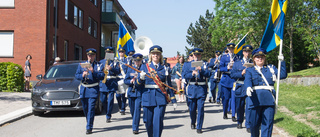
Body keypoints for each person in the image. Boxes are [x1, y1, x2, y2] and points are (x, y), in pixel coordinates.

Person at [244, 48, 287, 137]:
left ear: (265, 58)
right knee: (254, 125)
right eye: (257, 57)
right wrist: (248, 87)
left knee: (267, 125)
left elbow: (282, 75)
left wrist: (282, 62)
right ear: (254, 59)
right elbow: (247, 80)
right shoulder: (250, 70)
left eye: (262, 57)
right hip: (255, 99)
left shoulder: (271, 68)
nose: (260, 59)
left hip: (268, 100)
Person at [136, 45, 177, 137]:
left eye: (157, 54)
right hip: (147, 97)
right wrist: (141, 78)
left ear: (160, 55)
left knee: (158, 122)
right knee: (148, 122)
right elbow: (137, 85)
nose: (155, 55)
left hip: (160, 98)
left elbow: (169, 85)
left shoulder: (165, 68)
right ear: (150, 55)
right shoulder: (144, 67)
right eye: (153, 53)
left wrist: (173, 100)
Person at [75, 48, 105, 134]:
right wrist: (82, 75)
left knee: (91, 108)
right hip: (84, 89)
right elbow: (76, 75)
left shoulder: (99, 65)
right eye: (89, 55)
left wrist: (93, 71)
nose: (90, 57)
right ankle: (89, 121)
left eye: (92, 55)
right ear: (87, 56)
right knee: (85, 108)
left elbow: (102, 76)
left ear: (95, 56)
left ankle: (89, 127)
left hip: (93, 89)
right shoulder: (82, 65)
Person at [183, 48, 211, 134]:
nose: (197, 56)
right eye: (195, 55)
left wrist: (201, 70)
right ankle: (193, 121)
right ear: (192, 55)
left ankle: (199, 126)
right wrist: (192, 74)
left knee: (201, 108)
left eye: (198, 55)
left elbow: (209, 74)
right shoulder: (187, 64)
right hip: (192, 88)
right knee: (192, 109)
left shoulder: (205, 64)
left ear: (200, 55)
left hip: (201, 88)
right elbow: (184, 75)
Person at [230, 45, 253, 130]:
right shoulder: (237, 63)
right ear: (243, 53)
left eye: (249, 52)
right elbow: (232, 75)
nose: (248, 53)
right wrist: (241, 73)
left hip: (249, 87)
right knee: (239, 106)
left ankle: (248, 124)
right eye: (246, 52)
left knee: (249, 106)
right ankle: (239, 121)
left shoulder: (253, 63)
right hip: (240, 86)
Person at [219, 43, 241, 120]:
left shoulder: (237, 57)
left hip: (234, 80)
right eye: (230, 49)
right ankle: (225, 112)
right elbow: (221, 68)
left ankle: (233, 115)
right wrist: (227, 67)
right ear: (227, 49)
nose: (231, 50)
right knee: (226, 98)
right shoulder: (224, 57)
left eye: (232, 48)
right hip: (226, 79)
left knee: (234, 98)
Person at [99, 47, 120, 123]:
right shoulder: (101, 62)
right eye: (107, 53)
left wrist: (111, 69)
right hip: (104, 82)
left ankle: (108, 115)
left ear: (112, 53)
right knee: (103, 100)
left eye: (110, 53)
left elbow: (118, 71)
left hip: (112, 82)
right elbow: (98, 71)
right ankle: (106, 110)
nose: (108, 54)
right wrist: (102, 69)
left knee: (111, 100)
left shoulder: (115, 62)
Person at [124, 53, 144, 134]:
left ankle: (135, 127)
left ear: (141, 61)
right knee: (132, 110)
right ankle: (135, 121)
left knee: (137, 110)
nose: (137, 62)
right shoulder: (130, 69)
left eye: (138, 61)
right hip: (131, 92)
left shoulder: (143, 69)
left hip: (139, 92)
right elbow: (125, 80)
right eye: (135, 61)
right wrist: (130, 81)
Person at [116, 47, 128, 115]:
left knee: (123, 94)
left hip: (124, 79)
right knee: (118, 95)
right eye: (120, 52)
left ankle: (123, 108)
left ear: (124, 53)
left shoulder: (127, 60)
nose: (121, 53)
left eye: (122, 52)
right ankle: (120, 106)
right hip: (118, 79)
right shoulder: (116, 60)